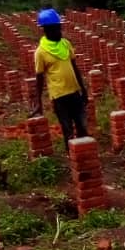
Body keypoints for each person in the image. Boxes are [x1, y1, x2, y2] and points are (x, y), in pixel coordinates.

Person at [30, 9, 89, 149]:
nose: (59, 30)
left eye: (59, 27)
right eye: (56, 28)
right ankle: (72, 157)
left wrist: (83, 89)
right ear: (47, 30)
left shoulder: (66, 44)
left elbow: (75, 67)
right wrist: (38, 102)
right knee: (67, 129)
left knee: (82, 126)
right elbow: (39, 79)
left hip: (74, 92)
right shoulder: (40, 52)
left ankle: (84, 156)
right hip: (59, 96)